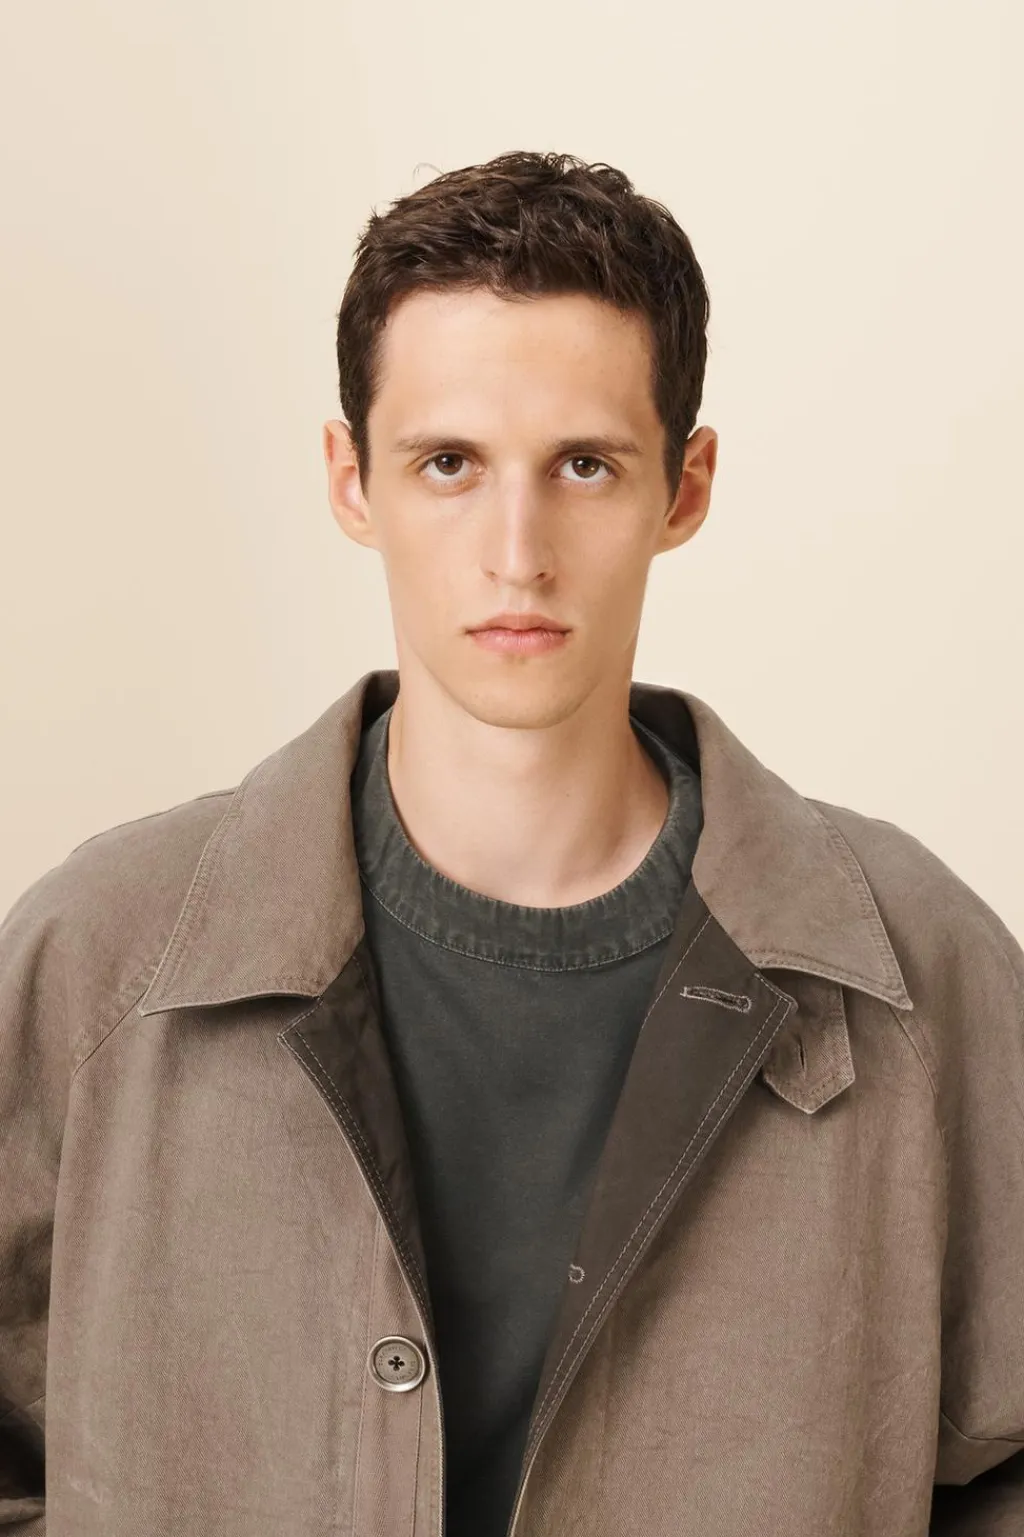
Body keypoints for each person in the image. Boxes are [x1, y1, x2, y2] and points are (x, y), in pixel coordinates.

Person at [1, 150, 1021, 1537]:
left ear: (686, 488)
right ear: (352, 481)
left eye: (584, 466)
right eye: (449, 465)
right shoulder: (101, 958)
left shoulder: (918, 968)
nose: (517, 550)